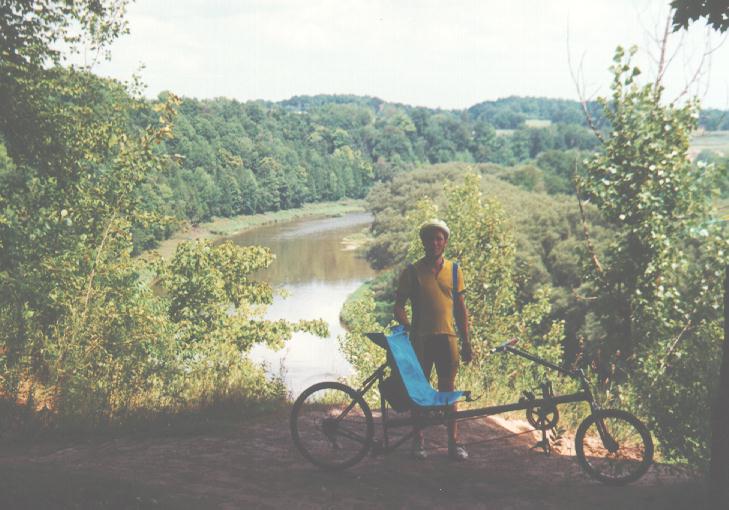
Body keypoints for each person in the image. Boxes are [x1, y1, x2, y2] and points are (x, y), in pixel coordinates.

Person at [393, 219, 472, 461]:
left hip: (447, 339)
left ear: (445, 242)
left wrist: (467, 341)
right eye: (430, 239)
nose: (435, 243)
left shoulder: (455, 271)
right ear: (423, 242)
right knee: (419, 392)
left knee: (448, 390)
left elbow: (460, 309)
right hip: (421, 341)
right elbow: (398, 307)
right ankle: (418, 443)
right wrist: (409, 327)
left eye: (439, 239)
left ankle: (453, 443)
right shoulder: (412, 271)